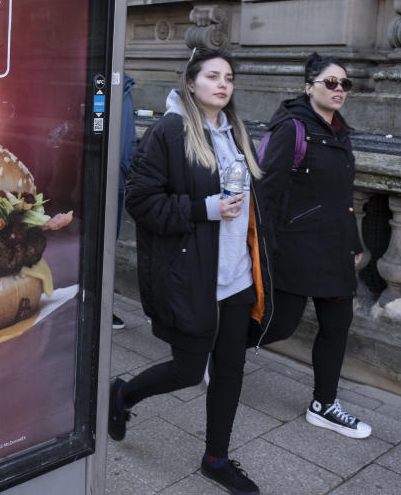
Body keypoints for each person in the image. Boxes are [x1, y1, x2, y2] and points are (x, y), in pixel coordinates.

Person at [109, 47, 270, 495]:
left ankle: (216, 458)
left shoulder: (237, 133)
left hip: (236, 275)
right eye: (213, 76)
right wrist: (206, 208)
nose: (223, 84)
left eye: (229, 78)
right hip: (194, 276)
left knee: (231, 370)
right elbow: (140, 202)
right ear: (192, 82)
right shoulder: (169, 131)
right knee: (186, 369)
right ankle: (122, 395)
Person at [256, 52, 371, 439]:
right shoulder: (292, 128)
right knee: (279, 326)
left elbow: (344, 196)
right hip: (296, 248)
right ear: (309, 87)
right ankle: (216, 349)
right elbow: (267, 192)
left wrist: (353, 242)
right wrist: (265, 246)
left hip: (335, 248)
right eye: (331, 83)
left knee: (337, 326)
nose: (339, 90)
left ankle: (324, 404)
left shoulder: (342, 132)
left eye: (345, 84)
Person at [112, 72, 138, 330]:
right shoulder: (119, 87)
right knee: (105, 247)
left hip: (115, 180)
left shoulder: (123, 86)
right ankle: (101, 307)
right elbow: (121, 145)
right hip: (112, 183)